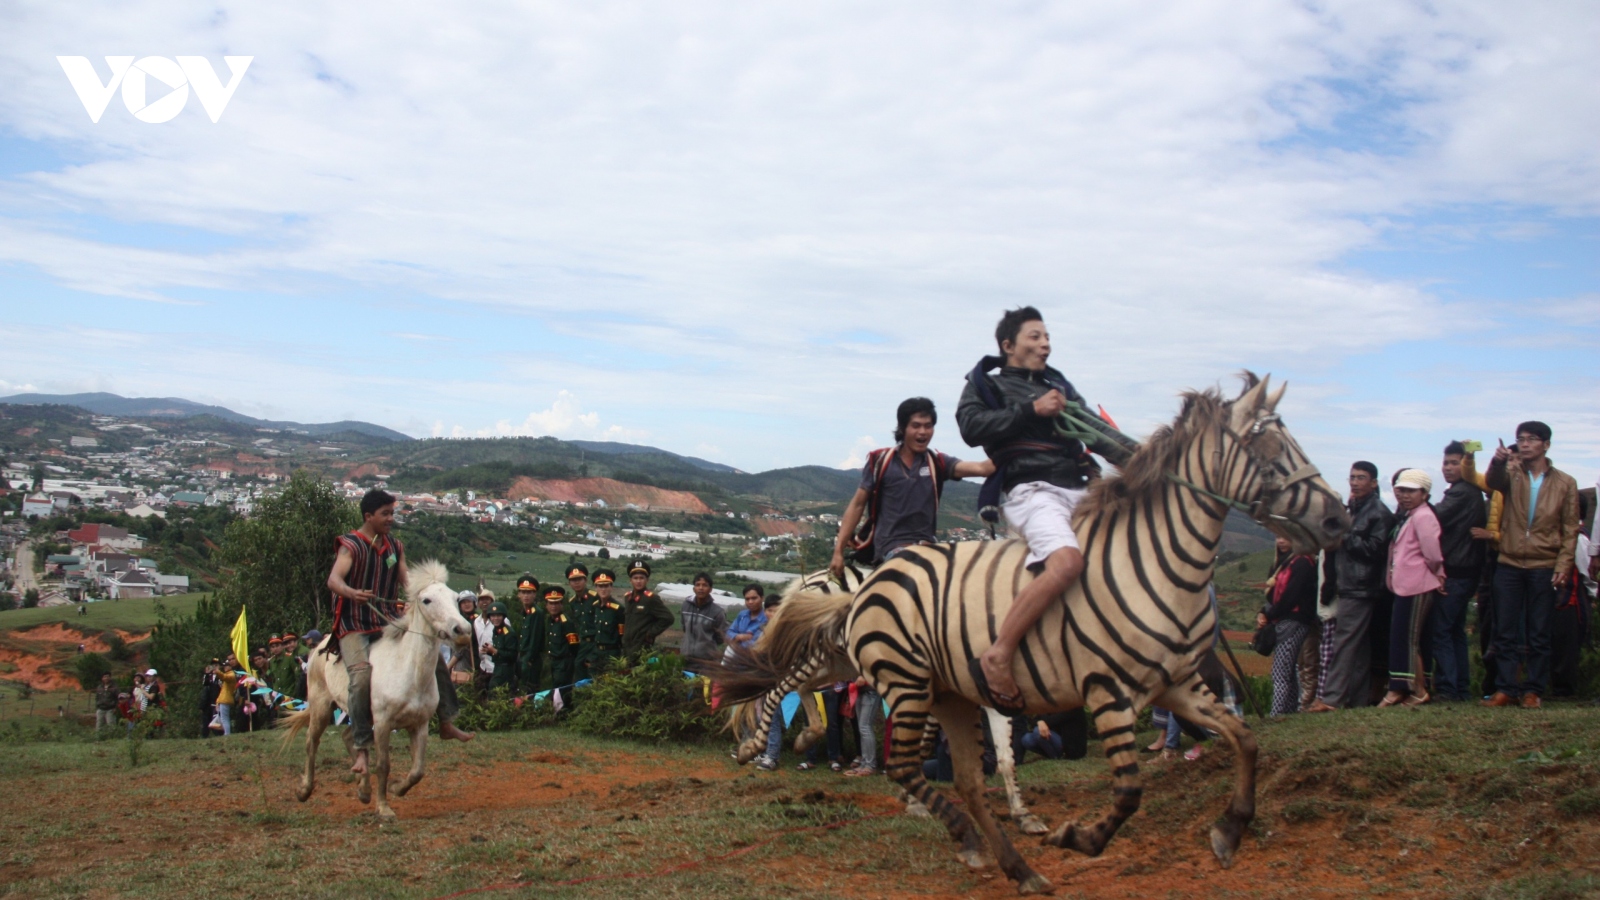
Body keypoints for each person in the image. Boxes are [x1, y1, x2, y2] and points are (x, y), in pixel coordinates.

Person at [955, 307, 1137, 713]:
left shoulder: (1060, 387)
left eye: (1047, 336)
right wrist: (1030, 411)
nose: (1045, 344)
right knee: (1067, 562)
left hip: (1081, 487)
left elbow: (1098, 432)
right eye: (1034, 337)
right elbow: (971, 428)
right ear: (1008, 346)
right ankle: (998, 654)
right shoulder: (988, 385)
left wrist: (1147, 459)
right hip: (1032, 490)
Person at [327, 489, 473, 776]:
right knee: (359, 676)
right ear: (368, 516)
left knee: (435, 661)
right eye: (385, 514)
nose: (391, 519)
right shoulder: (351, 545)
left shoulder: (395, 547)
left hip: (387, 620)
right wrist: (352, 593)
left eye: (392, 513)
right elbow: (334, 579)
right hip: (354, 623)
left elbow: (407, 583)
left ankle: (445, 720)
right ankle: (361, 747)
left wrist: (419, 600)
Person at [830, 397, 995, 578]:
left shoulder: (937, 462)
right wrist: (838, 551)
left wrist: (1015, 445)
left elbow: (982, 469)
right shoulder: (880, 462)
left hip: (928, 546)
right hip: (892, 547)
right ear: (902, 428)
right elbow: (857, 505)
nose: (923, 432)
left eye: (928, 426)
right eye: (916, 426)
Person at [1482, 423, 1581, 709]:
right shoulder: (1511, 474)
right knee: (1505, 630)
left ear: (1546, 445)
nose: (1524, 445)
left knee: (1539, 631)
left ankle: (1534, 690)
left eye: (1531, 440)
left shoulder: (1565, 482)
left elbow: (1570, 527)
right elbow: (1493, 480)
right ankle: (1506, 688)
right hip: (1509, 561)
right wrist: (1497, 460)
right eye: (1520, 440)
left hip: (1544, 563)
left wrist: (1564, 563)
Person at [1309, 462, 1395, 711]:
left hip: (1361, 586)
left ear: (1374, 482)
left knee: (1344, 640)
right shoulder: (1357, 509)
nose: (1355, 482)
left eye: (1361, 478)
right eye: (1352, 477)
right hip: (1350, 584)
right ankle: (1356, 701)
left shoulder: (1378, 512)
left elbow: (1374, 550)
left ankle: (1332, 699)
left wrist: (1345, 534)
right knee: (1358, 647)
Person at [1426, 443, 1488, 702]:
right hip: (1466, 569)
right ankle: (1460, 687)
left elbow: (1433, 519)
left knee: (1440, 630)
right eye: (1446, 463)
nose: (1448, 468)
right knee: (1455, 630)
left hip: (1456, 569)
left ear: (1466, 464)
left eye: (1454, 463)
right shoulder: (1469, 492)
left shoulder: (1461, 493)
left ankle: (1448, 688)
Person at [1379, 469, 1446, 707]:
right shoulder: (1411, 515)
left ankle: (1412, 690)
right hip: (1406, 584)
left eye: (1411, 491)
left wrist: (1437, 573)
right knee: (1408, 638)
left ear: (1425, 494)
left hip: (1417, 584)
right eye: (1401, 490)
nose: (1404, 495)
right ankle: (1415, 688)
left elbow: (1433, 554)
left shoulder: (1423, 516)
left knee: (1407, 638)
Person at [1257, 536, 1318, 716]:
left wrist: (1269, 614)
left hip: (1295, 619)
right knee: (1288, 669)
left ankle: (1276, 713)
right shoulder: (1283, 564)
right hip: (1285, 618)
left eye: (1286, 536)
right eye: (1277, 537)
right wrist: (1264, 611)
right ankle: (1289, 711)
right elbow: (1273, 595)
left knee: (1280, 671)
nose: (1281, 541)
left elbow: (1290, 596)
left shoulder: (1301, 563)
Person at [621, 559, 674, 658]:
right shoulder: (628, 598)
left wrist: (650, 634)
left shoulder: (651, 599)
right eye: (635, 578)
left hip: (642, 649)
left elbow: (668, 618)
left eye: (642, 578)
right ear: (630, 580)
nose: (638, 581)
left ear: (647, 580)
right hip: (627, 648)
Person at [540, 586, 580, 704]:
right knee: (556, 692)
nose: (553, 606)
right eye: (550, 603)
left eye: (557, 603)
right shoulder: (550, 620)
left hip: (564, 662)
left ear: (562, 605)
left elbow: (574, 645)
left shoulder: (565, 622)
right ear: (546, 605)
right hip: (554, 662)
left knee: (563, 693)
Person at [679, 573, 727, 666]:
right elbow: (684, 627)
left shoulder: (717, 612)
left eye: (704, 585)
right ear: (694, 588)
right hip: (685, 658)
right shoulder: (685, 606)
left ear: (710, 589)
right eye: (698, 585)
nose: (701, 588)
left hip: (707, 661)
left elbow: (721, 637)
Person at [586, 569, 626, 674]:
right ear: (596, 588)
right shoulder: (595, 606)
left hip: (611, 654)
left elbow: (622, 635)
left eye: (606, 586)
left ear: (611, 587)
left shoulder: (618, 609)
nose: (603, 589)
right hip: (596, 653)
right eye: (600, 586)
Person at [565, 564, 601, 678]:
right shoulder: (572, 602)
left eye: (579, 579)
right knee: (579, 668)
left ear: (585, 580)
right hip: (583, 643)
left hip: (596, 642)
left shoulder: (595, 597)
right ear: (569, 583)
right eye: (573, 580)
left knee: (593, 671)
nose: (576, 583)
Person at [514, 575, 546, 695]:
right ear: (519, 594)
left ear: (535, 594)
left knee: (530, 691)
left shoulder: (536, 613)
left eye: (529, 592)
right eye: (523, 592)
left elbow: (535, 640)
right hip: (523, 658)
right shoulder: (525, 613)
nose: (526, 596)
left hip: (530, 661)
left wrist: (527, 660)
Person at [483, 604, 520, 690]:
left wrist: (495, 651)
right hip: (497, 667)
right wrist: (489, 651)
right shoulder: (496, 631)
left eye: (498, 615)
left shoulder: (509, 633)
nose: (495, 618)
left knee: (494, 690)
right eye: (492, 616)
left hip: (506, 670)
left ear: (503, 616)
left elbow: (513, 656)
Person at [725, 584, 769, 652]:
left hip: (754, 658)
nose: (750, 602)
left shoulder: (767, 619)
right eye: (747, 599)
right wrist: (740, 637)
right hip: (735, 655)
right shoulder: (742, 615)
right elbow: (729, 633)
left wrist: (736, 640)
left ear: (762, 598)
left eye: (754, 598)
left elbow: (760, 644)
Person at [216, 655, 239, 736]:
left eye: (227, 666)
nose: (225, 667)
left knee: (225, 718)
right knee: (224, 718)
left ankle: (227, 734)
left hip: (226, 699)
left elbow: (224, 676)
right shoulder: (230, 674)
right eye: (225, 666)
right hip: (225, 699)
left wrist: (217, 671)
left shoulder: (231, 674)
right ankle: (226, 733)